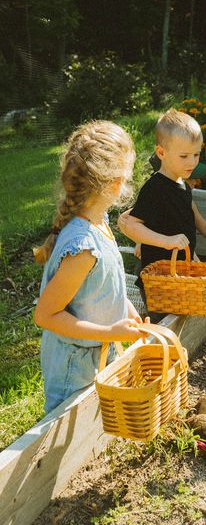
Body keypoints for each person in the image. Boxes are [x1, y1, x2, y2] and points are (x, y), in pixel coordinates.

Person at [33, 121, 145, 413]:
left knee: (93, 420)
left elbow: (109, 284)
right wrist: (111, 331)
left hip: (96, 349)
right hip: (74, 364)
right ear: (117, 183)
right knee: (62, 429)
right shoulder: (83, 247)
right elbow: (46, 315)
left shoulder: (100, 220)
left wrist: (130, 317)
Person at [118, 109, 206, 318]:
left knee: (184, 320)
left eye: (196, 154)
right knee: (162, 323)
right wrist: (165, 241)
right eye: (184, 156)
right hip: (158, 279)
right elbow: (131, 225)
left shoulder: (183, 187)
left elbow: (199, 223)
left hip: (180, 274)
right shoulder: (155, 188)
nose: (192, 162)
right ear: (161, 153)